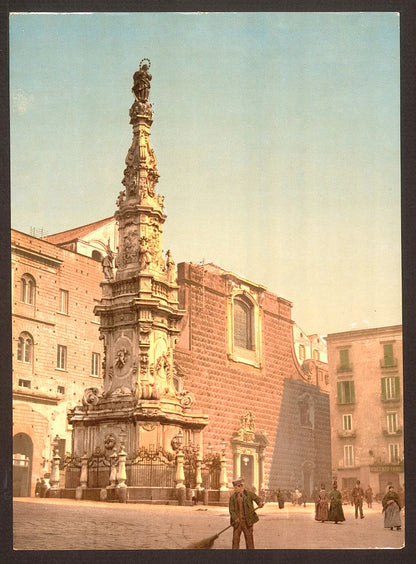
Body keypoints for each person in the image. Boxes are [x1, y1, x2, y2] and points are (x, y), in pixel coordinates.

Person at [229, 477, 264, 549]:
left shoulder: (249, 494)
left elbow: (256, 499)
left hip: (248, 521)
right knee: (235, 541)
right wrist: (235, 518)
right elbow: (231, 510)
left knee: (249, 540)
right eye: (234, 488)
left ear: (241, 486)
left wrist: (260, 503)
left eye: (236, 487)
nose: (235, 489)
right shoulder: (232, 497)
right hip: (237, 523)